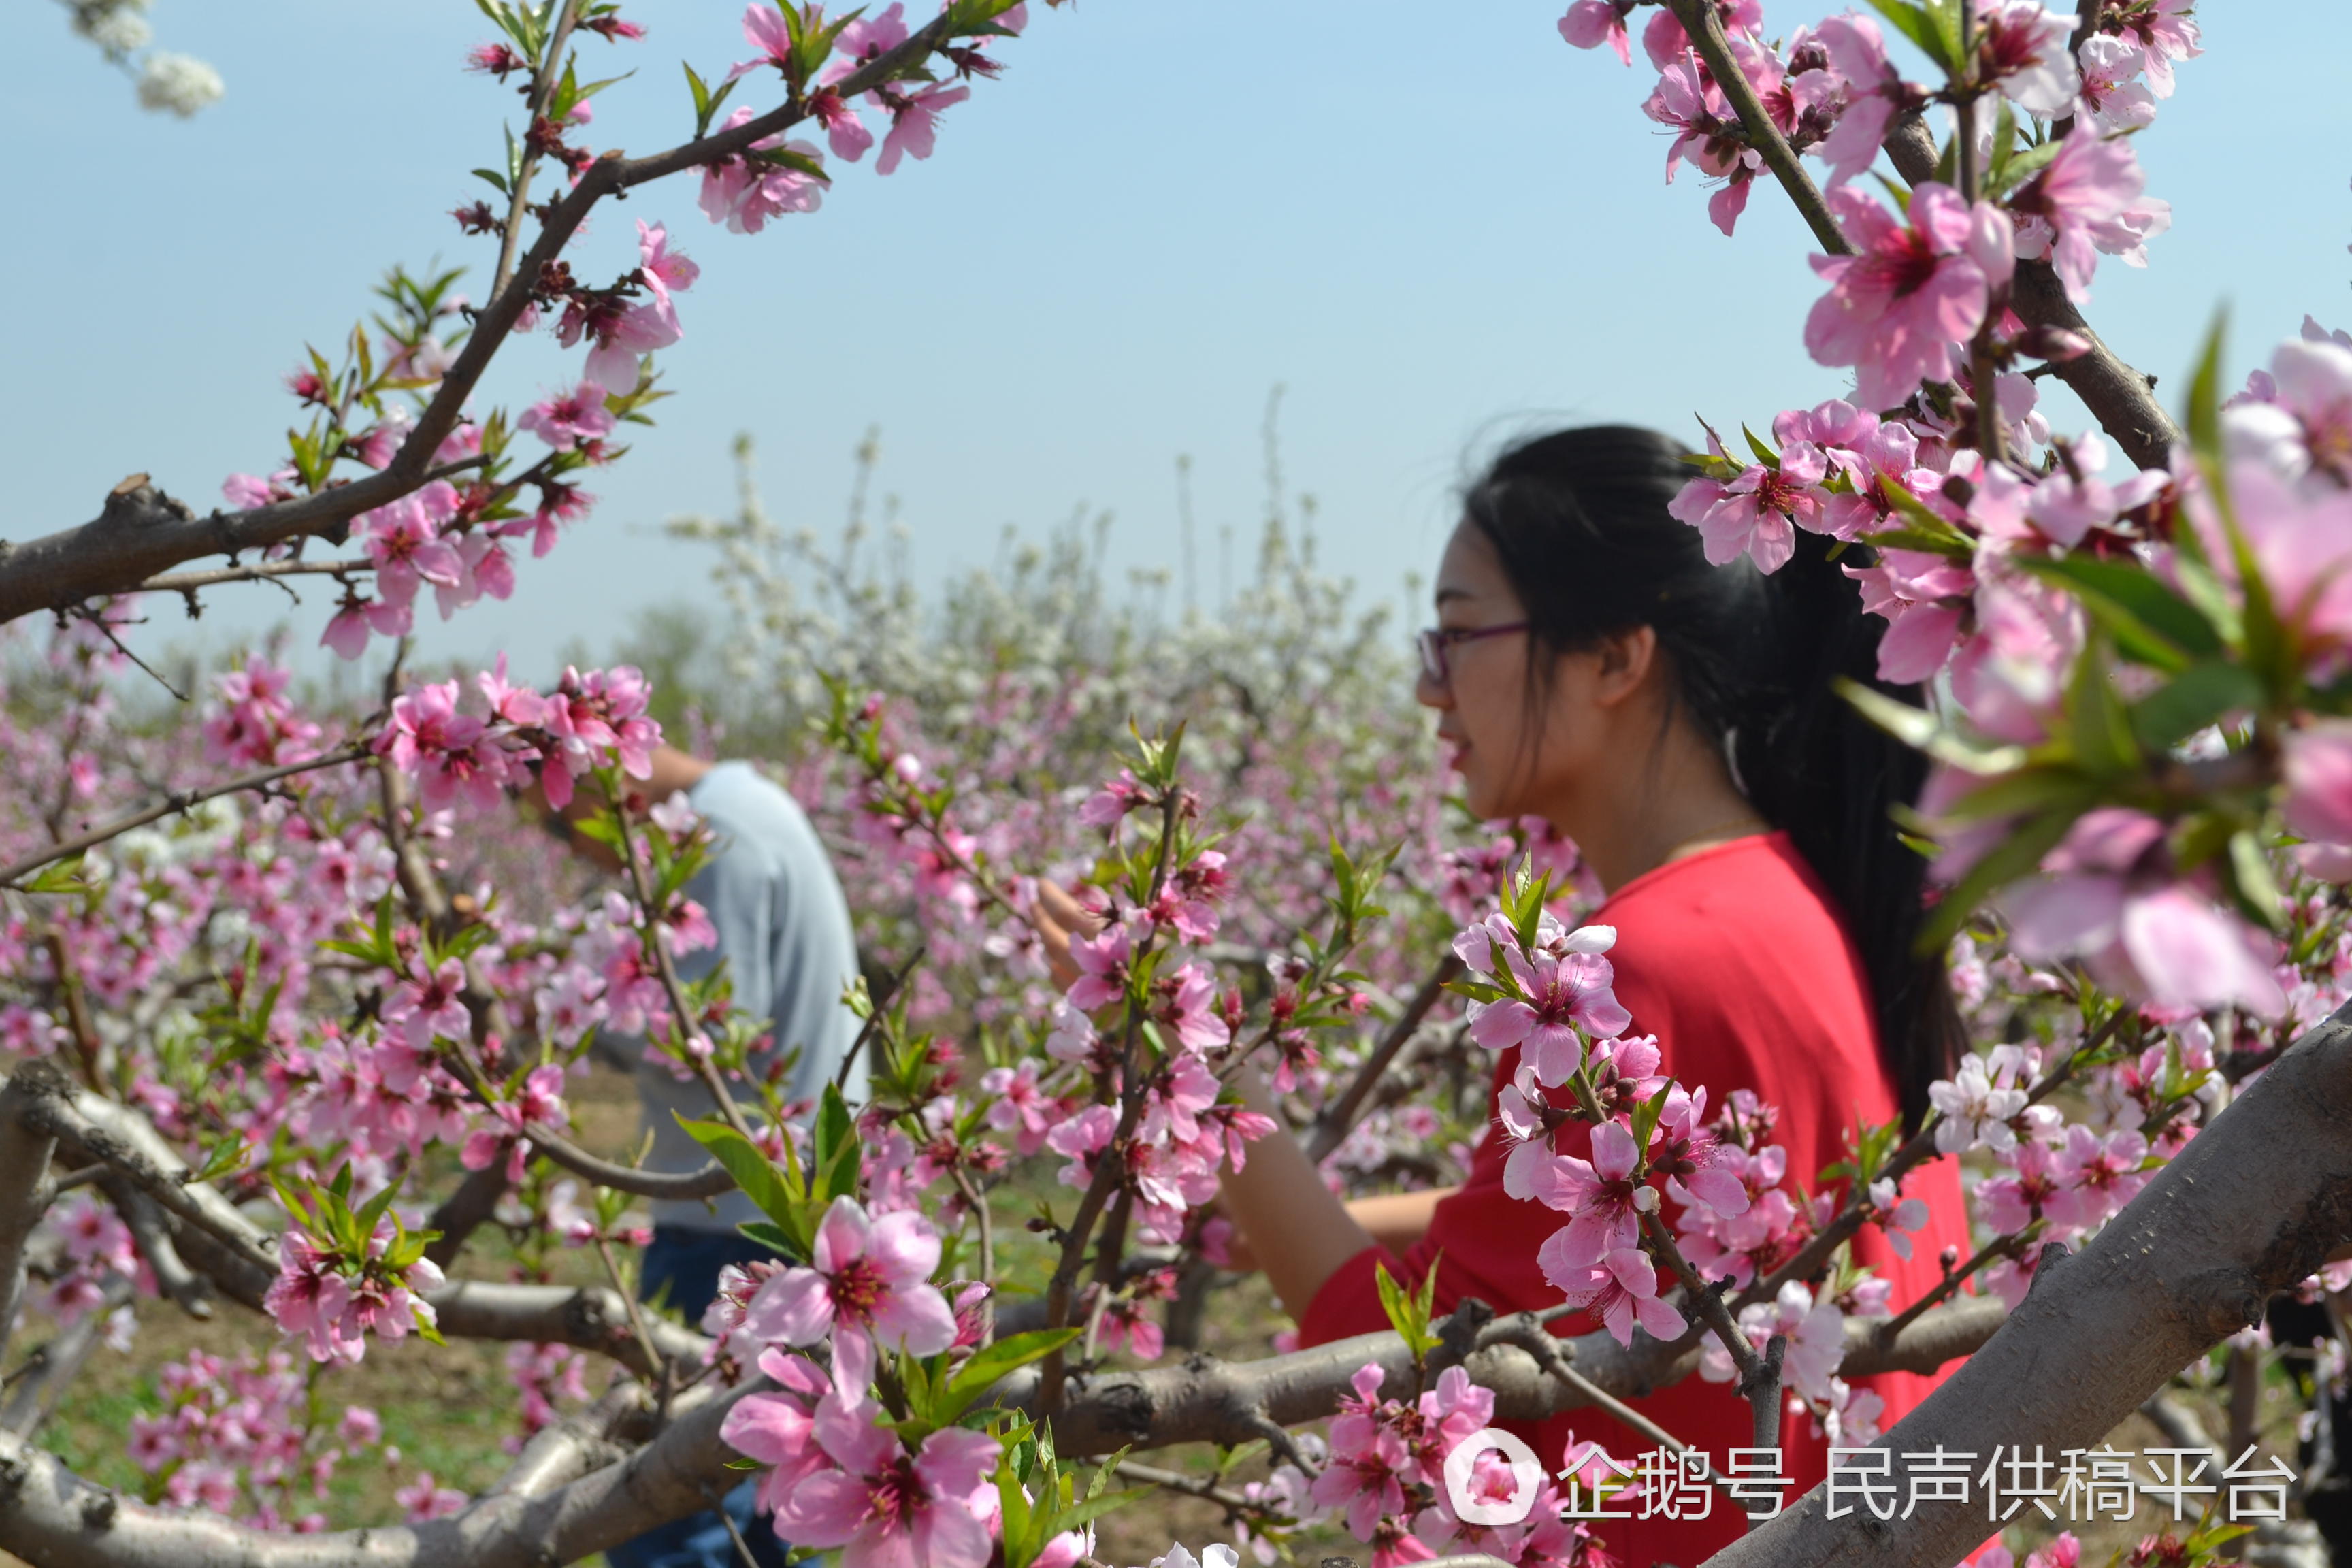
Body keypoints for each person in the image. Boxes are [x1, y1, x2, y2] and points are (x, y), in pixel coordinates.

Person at [1039, 425, 1974, 1567]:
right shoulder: (1777, 899)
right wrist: (1331, 1212)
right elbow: (1629, 1235)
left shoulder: (1636, 967)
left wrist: (1182, 1066)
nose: (1431, 687)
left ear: (1614, 659)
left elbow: (1394, 1366)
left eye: (1458, 632)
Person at [544, 745, 864, 1568]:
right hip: (785, 1210)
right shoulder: (752, 811)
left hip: (733, 1221)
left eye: (555, 815)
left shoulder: (715, 835)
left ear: (598, 775)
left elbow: (718, 1037)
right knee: (782, 1504)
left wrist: (584, 1010)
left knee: (668, 1506)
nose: (575, 845)